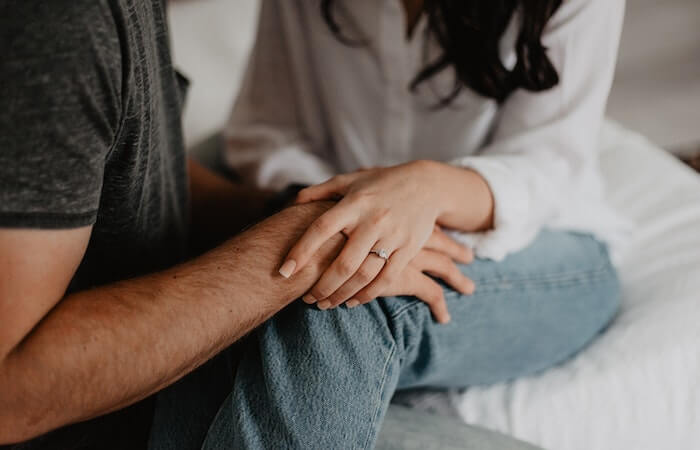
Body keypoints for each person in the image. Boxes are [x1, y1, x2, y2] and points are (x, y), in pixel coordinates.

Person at [0, 0, 472, 448]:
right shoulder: (58, 23)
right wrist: (300, 244)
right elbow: (10, 392)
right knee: (347, 304)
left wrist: (297, 210)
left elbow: (124, 168)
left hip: (165, 372)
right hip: (109, 421)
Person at [212, 0, 626, 447]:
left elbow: (551, 164)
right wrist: (356, 216)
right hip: (329, 198)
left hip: (541, 235)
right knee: (276, 275)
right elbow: (268, 130)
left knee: (348, 293)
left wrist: (427, 190)